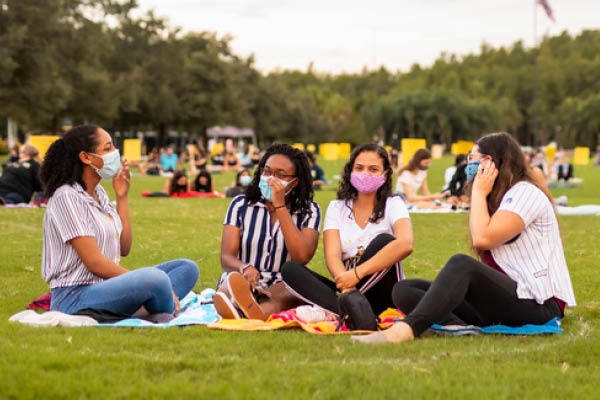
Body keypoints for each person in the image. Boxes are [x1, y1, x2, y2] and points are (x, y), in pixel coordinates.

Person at [353, 132, 576, 344]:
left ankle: (406, 330)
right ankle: (457, 328)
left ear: (489, 162)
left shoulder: (525, 193)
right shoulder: (495, 198)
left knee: (462, 264)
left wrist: (478, 192)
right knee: (404, 290)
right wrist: (480, 195)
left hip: (538, 302)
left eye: (473, 158)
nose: (468, 164)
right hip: (503, 300)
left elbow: (482, 239)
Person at [40, 125, 199, 317]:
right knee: (155, 279)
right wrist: (139, 280)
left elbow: (124, 248)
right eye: (107, 148)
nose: (115, 153)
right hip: (74, 296)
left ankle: (147, 307)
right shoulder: (67, 197)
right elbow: (94, 262)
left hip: (106, 287)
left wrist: (122, 197)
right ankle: (161, 310)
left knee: (187, 268)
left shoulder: (99, 193)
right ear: (86, 157)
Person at [282, 144, 413, 322]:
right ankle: (353, 311)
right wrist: (346, 286)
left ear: (385, 174)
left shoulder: (394, 203)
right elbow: (332, 256)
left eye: (373, 169)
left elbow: (405, 244)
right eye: (359, 168)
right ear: (350, 171)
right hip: (346, 284)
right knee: (291, 270)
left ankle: (340, 310)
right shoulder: (337, 207)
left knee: (385, 241)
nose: (365, 173)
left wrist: (357, 274)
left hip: (382, 287)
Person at [213, 143, 321, 320]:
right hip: (243, 276)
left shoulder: (309, 211)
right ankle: (239, 301)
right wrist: (245, 268)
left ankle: (248, 311)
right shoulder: (241, 204)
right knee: (231, 282)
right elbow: (226, 256)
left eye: (280, 175)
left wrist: (280, 206)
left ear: (295, 181)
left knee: (287, 292)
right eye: (267, 171)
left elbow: (301, 257)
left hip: (283, 283)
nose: (271, 178)